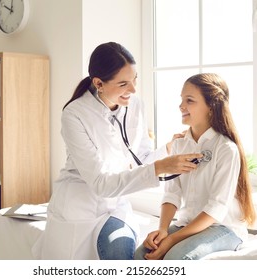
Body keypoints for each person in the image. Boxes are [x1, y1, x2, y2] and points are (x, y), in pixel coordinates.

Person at [35, 42, 202, 260]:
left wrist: (167, 150)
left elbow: (141, 159)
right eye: (123, 83)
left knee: (121, 252)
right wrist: (161, 167)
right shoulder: (74, 114)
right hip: (79, 208)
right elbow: (99, 183)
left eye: (135, 80)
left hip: (115, 208)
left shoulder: (135, 105)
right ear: (99, 83)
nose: (133, 89)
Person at [134, 73, 257, 260]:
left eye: (189, 100)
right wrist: (163, 230)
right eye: (182, 99)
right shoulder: (179, 144)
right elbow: (172, 194)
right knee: (142, 254)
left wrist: (173, 240)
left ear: (211, 106)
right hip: (187, 225)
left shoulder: (226, 149)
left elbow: (216, 209)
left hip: (222, 227)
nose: (181, 106)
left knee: (176, 259)